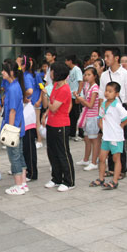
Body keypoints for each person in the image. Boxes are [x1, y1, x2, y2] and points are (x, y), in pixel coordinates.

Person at [99, 48, 127, 179]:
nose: (106, 59)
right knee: (108, 137)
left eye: (108, 56)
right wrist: (101, 114)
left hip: (122, 109)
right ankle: (111, 168)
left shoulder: (126, 74)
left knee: (121, 139)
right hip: (108, 110)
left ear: (116, 58)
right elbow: (101, 96)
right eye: (105, 56)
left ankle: (122, 169)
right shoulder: (104, 75)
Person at [90, 82, 127, 190]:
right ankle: (101, 178)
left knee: (116, 159)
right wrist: (101, 123)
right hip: (106, 137)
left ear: (116, 94)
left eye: (110, 91)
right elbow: (101, 116)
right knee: (102, 158)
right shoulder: (103, 104)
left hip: (116, 137)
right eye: (106, 91)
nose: (107, 93)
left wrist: (122, 125)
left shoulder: (117, 105)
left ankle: (115, 180)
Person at [43, 61, 75, 192]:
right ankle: (56, 178)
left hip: (61, 124)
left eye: (52, 71)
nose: (50, 74)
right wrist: (45, 93)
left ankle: (69, 181)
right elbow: (46, 105)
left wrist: (47, 96)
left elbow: (54, 107)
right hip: (51, 123)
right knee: (52, 152)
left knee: (63, 153)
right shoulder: (55, 85)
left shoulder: (64, 89)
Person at [1, 61, 28, 195]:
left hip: (14, 127)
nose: (2, 73)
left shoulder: (12, 88)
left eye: (4, 70)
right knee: (19, 154)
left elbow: (11, 111)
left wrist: (9, 130)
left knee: (14, 156)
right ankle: (23, 183)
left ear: (11, 72)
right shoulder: (16, 86)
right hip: (19, 126)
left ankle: (18, 185)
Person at [74, 67, 100, 171]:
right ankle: (86, 159)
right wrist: (78, 97)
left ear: (94, 76)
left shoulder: (95, 88)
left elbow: (90, 104)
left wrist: (81, 99)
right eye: (86, 75)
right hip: (87, 116)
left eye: (89, 75)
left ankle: (94, 162)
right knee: (87, 139)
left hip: (93, 116)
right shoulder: (87, 86)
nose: (86, 77)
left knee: (94, 140)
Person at [20, 56, 38, 181]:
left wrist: (22, 94)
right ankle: (27, 170)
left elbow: (30, 91)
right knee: (25, 146)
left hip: (28, 115)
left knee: (29, 146)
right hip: (24, 114)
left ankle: (32, 173)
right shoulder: (22, 75)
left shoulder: (26, 76)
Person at [65, 54, 84, 142]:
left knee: (78, 115)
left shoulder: (77, 70)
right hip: (70, 96)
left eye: (66, 60)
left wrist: (78, 95)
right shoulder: (70, 70)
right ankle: (72, 133)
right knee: (71, 115)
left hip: (76, 95)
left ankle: (81, 133)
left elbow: (81, 82)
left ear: (70, 61)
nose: (65, 62)